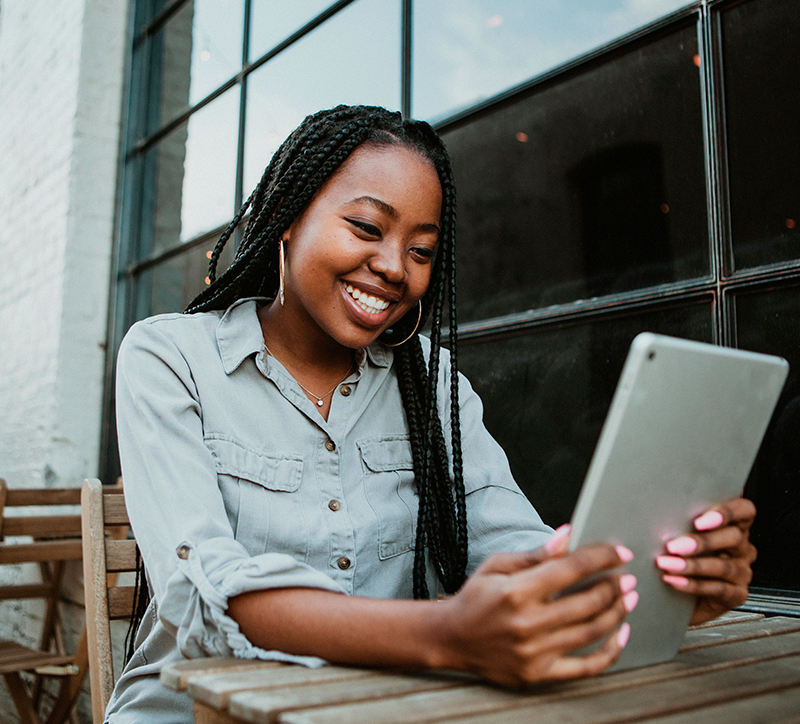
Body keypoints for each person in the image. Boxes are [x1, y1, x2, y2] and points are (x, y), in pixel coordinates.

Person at [108, 105, 756, 722]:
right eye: (366, 228)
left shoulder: (431, 379)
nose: (394, 268)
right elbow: (202, 590)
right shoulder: (171, 357)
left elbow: (511, 539)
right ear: (285, 213)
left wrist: (641, 583)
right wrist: (446, 634)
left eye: (421, 251)